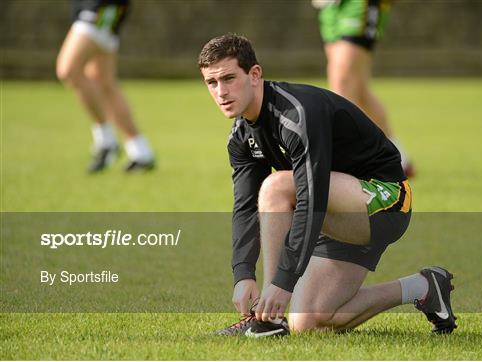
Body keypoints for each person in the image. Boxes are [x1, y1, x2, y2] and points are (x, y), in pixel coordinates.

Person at [198, 34, 456, 337]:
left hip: (385, 199)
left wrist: (281, 284)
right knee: (309, 321)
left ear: (255, 75)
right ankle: (425, 286)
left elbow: (311, 199)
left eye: (229, 78)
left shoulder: (296, 113)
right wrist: (242, 274)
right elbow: (244, 207)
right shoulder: (241, 136)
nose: (221, 91)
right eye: (211, 83)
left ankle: (267, 318)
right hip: (334, 211)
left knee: (276, 187)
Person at [313, 0, 415, 177]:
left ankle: (350, 163)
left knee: (342, 82)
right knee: (359, 92)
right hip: (330, 5)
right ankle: (399, 157)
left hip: (359, 4)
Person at [56, 0, 155, 172]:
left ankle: (106, 140)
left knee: (68, 71)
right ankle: (140, 151)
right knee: (105, 84)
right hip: (100, 8)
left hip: (99, 7)